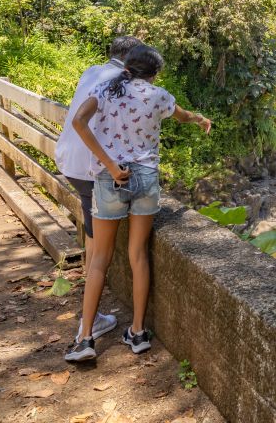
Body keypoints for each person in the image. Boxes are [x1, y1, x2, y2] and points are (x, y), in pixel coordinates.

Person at [64, 44, 211, 362]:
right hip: (146, 180)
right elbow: (184, 117)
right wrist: (200, 119)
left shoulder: (106, 89)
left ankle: (86, 338)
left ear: (126, 67)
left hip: (112, 178)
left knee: (99, 259)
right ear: (155, 72)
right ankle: (139, 333)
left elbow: (78, 122)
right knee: (138, 255)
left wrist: (110, 165)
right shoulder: (160, 95)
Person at [56, 35, 142, 343]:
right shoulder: (123, 80)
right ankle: (85, 332)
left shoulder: (93, 70)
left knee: (92, 238)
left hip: (69, 163)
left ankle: (91, 319)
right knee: (99, 252)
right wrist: (113, 167)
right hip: (93, 170)